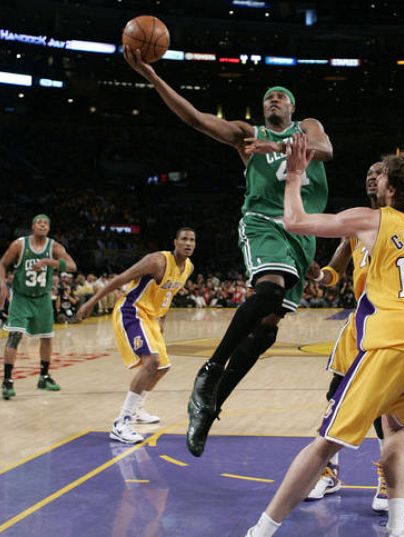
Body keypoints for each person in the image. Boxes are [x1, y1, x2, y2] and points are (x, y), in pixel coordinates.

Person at [244, 135, 404, 537]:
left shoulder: (370, 219)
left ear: (392, 189)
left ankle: (261, 530)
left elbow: (295, 220)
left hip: (392, 340)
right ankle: (399, 527)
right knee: (395, 427)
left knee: (327, 440)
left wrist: (294, 176)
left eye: (380, 178)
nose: (374, 181)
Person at [123, 46, 333, 457]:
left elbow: (325, 151)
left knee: (267, 329)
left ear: (292, 107)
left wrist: (278, 148)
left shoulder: (308, 127)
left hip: (302, 229)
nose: (273, 100)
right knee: (268, 292)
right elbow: (196, 119)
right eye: (268, 97)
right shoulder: (246, 134)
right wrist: (151, 74)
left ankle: (209, 404)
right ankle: (210, 371)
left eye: (280, 96)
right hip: (262, 221)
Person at [305, 161, 389, 511]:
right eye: (368, 171)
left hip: (392, 322)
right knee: (336, 396)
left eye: (380, 171)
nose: (371, 175)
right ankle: (330, 472)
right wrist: (317, 275)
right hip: (360, 321)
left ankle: (388, 477)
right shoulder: (355, 226)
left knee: (384, 407)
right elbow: (333, 274)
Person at [77, 228, 196, 444]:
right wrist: (91, 302)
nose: (188, 243)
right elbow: (122, 278)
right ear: (175, 242)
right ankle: (121, 422)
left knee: (163, 367)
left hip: (151, 317)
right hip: (131, 310)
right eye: (184, 239)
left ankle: (138, 407)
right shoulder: (157, 261)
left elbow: (168, 295)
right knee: (151, 362)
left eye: (192, 240)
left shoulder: (188, 267)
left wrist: (162, 321)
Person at [0, 215, 77, 400]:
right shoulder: (19, 245)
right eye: (39, 222)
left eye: (46, 223)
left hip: (42, 298)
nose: (42, 225)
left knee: (47, 338)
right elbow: (2, 264)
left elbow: (72, 266)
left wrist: (49, 262)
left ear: (48, 228)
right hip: (21, 298)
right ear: (33, 226)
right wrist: (2, 284)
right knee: (14, 336)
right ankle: (7, 380)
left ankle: (44, 376)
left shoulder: (54, 247)